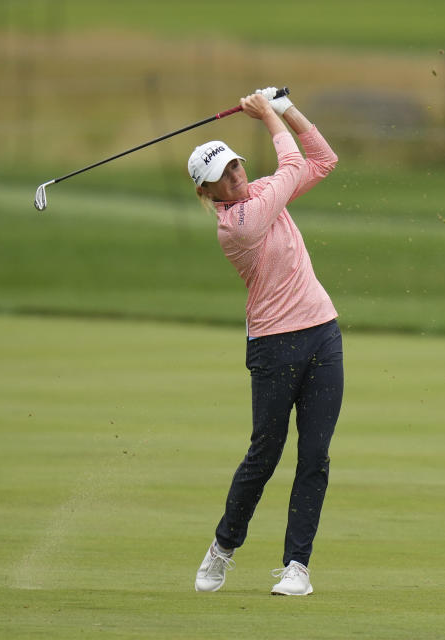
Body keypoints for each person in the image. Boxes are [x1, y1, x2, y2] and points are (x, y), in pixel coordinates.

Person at [189, 88, 343, 596]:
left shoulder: (257, 193)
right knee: (265, 455)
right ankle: (223, 547)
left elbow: (323, 159)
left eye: (235, 168)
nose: (235, 179)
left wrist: (290, 109)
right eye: (223, 179)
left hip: (322, 333)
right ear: (208, 194)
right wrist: (269, 117)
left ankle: (297, 566)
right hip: (275, 347)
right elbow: (294, 162)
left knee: (315, 456)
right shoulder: (238, 225)